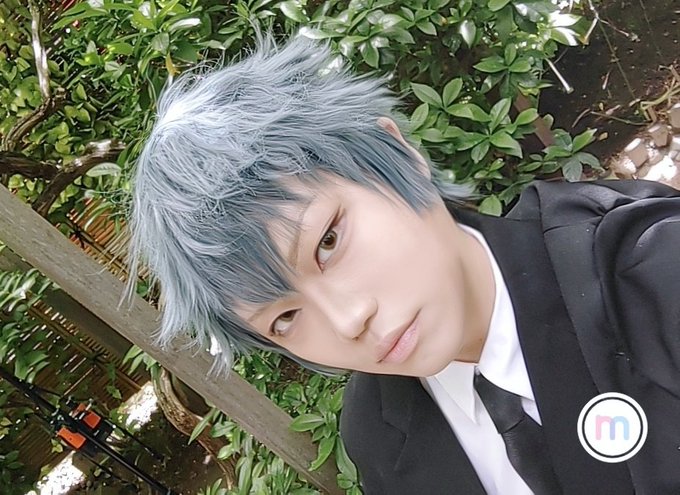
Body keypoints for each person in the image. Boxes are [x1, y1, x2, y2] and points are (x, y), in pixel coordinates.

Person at [127, 33, 680, 494]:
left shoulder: (651, 270)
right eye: (284, 318)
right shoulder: (377, 437)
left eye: (327, 242)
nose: (348, 321)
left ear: (399, 156)